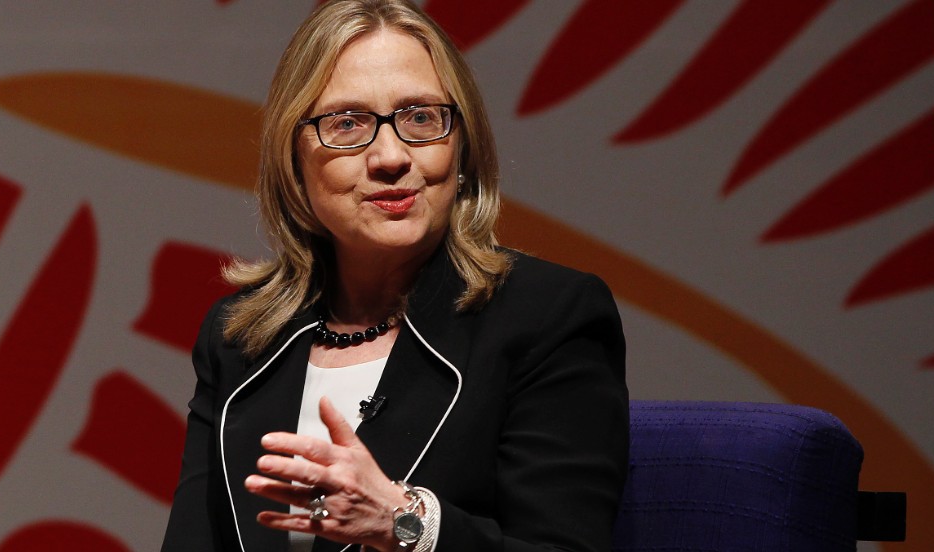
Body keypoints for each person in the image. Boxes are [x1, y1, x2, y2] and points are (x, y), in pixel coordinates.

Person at [161, 0, 628, 550]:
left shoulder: (549, 317)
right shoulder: (239, 336)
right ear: (294, 158)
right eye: (347, 123)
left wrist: (405, 524)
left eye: (421, 118)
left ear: (462, 144)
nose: (390, 155)